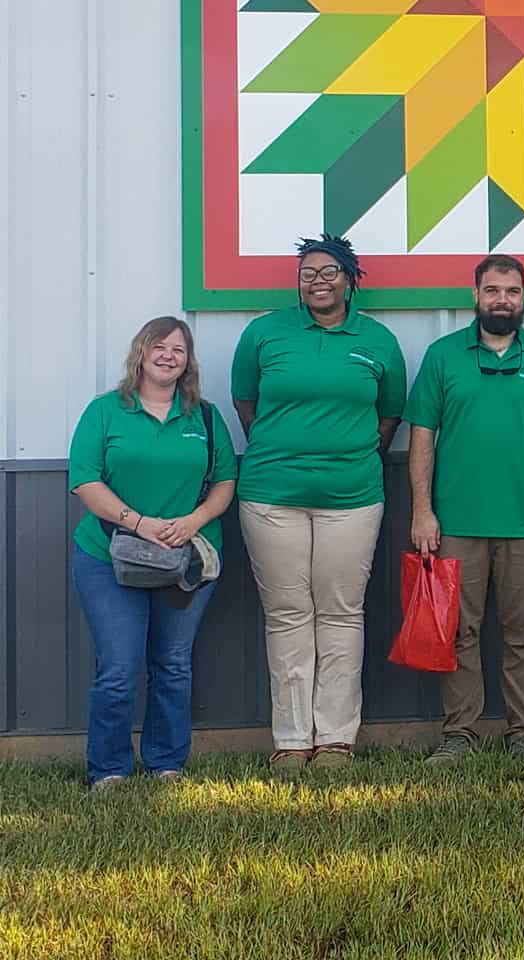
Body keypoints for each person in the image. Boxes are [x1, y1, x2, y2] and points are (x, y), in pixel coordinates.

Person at [231, 234, 407, 773]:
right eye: (308, 272)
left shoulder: (377, 340)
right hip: (270, 496)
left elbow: (389, 414)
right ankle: (290, 741)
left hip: (352, 498)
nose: (318, 281)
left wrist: (344, 456)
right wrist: (285, 451)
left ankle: (334, 740)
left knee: (340, 614)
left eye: (329, 272)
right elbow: (246, 403)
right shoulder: (264, 333)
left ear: (350, 280)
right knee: (286, 615)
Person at [407, 254, 524, 764]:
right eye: (492, 290)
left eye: (512, 291)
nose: (502, 299)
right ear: (475, 295)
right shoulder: (442, 357)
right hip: (455, 523)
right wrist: (422, 510)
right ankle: (458, 734)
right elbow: (422, 438)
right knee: (458, 633)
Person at [69, 316, 237, 790]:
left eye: (178, 350)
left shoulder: (203, 416)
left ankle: (166, 763)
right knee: (119, 668)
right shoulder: (105, 411)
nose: (168, 355)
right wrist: (140, 524)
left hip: (186, 561)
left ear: (188, 361)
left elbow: (225, 481)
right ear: (140, 353)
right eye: (158, 346)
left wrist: (192, 522)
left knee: (173, 664)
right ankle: (109, 770)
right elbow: (85, 479)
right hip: (109, 557)